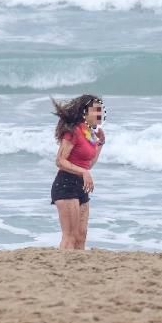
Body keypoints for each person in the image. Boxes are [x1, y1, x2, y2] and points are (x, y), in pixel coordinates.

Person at [51, 94, 105, 250]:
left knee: (81, 236)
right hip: (66, 185)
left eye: (101, 110)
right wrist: (83, 172)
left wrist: (101, 143)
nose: (100, 114)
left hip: (81, 186)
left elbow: (89, 164)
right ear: (85, 112)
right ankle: (61, 271)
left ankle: (78, 273)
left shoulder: (89, 134)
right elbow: (60, 161)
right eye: (96, 110)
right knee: (70, 236)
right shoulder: (73, 131)